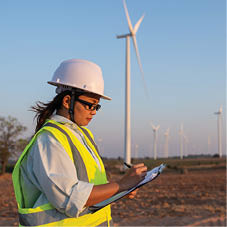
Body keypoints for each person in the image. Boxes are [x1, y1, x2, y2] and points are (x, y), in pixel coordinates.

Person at [12, 59, 147, 226]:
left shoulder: (81, 135)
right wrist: (121, 184)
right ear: (67, 101)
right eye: (90, 105)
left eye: (96, 107)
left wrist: (119, 190)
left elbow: (88, 188)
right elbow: (70, 198)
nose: (93, 112)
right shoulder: (49, 140)